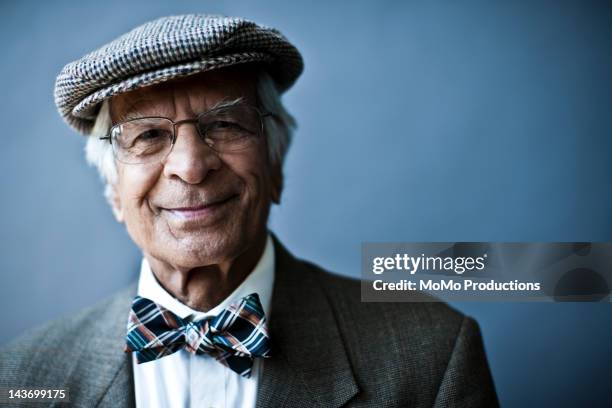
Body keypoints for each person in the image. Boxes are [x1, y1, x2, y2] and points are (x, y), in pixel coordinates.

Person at [0, 14, 498, 407]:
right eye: (149, 135)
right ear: (113, 190)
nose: (191, 167)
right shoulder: (22, 378)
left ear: (276, 164)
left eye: (226, 125)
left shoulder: (432, 354)